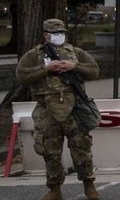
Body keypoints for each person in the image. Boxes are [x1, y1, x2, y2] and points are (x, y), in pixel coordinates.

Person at [15, 18, 102, 200]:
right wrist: (45, 69)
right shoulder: (34, 55)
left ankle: (89, 185)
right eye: (55, 34)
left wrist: (74, 66)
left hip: (74, 109)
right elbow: (22, 76)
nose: (59, 36)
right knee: (50, 152)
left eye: (61, 33)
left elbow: (94, 70)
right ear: (45, 35)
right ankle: (54, 189)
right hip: (47, 110)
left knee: (82, 148)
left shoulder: (75, 52)